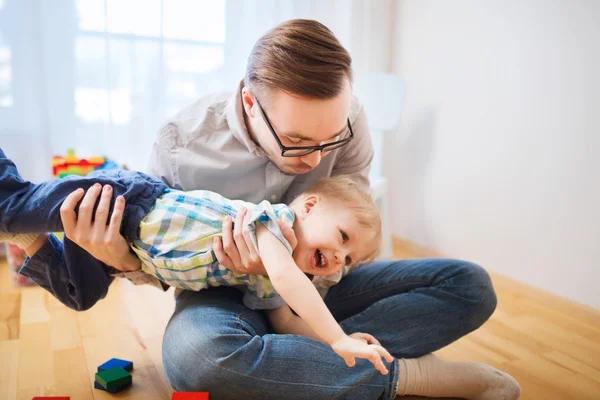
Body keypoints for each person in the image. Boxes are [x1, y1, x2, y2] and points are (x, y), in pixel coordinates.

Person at [5, 19, 520, 400]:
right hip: (221, 296)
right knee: (197, 360)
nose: (318, 160)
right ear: (251, 103)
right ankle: (409, 375)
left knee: (470, 285)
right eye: (298, 141)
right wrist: (119, 257)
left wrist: (320, 277)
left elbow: (353, 220)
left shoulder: (348, 120)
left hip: (315, 292)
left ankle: (300, 365)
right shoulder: (181, 142)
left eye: (330, 138)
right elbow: (163, 259)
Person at [0, 156, 394, 374]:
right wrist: (337, 336)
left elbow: (287, 321)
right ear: (309, 207)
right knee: (14, 207)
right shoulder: (276, 224)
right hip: (128, 202)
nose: (339, 260)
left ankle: (24, 240)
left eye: (348, 260)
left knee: (80, 294)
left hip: (130, 249)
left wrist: (339, 339)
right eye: (343, 238)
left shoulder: (269, 282)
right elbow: (292, 281)